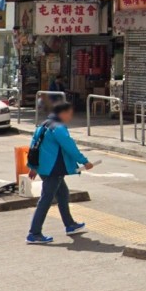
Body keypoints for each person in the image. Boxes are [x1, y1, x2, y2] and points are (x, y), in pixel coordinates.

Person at [26, 101, 92, 244]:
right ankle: (34, 233)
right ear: (62, 113)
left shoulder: (43, 125)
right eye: (69, 113)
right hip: (53, 169)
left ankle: (70, 225)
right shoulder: (59, 128)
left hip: (45, 168)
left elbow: (34, 146)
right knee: (46, 199)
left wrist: (33, 166)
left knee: (63, 194)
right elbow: (70, 146)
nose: (71, 116)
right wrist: (84, 161)